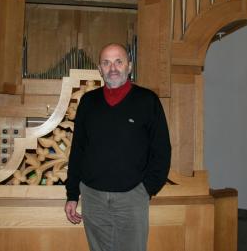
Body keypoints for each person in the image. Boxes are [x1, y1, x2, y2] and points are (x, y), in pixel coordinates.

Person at [64, 43, 171, 251]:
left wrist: (146, 190)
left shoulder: (147, 101)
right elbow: (77, 150)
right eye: (106, 62)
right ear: (100, 69)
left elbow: (162, 151)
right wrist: (72, 194)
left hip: (132, 197)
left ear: (129, 66)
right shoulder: (88, 102)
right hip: (92, 197)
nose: (112, 68)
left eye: (118, 61)